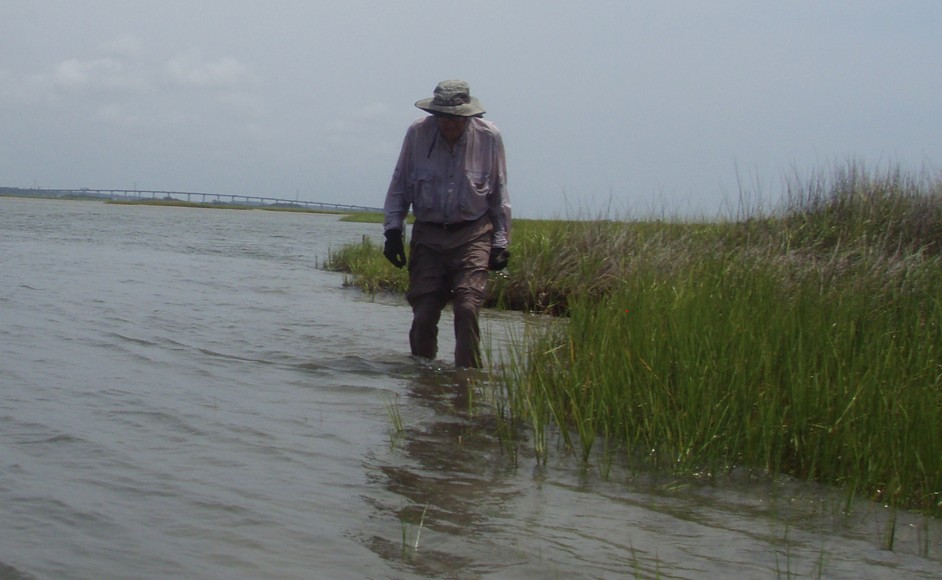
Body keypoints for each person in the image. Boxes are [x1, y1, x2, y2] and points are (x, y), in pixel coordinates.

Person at [382, 80, 511, 368]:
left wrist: (501, 243)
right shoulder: (417, 132)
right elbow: (400, 183)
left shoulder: (490, 136)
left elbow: (499, 193)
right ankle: (422, 380)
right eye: (440, 117)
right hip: (428, 233)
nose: (446, 124)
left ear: (468, 116)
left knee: (467, 307)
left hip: (473, 233)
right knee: (424, 312)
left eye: (453, 118)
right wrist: (392, 231)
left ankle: (466, 379)